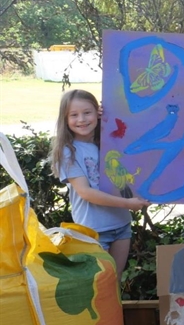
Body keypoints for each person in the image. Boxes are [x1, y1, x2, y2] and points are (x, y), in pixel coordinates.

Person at [50, 89, 150, 280]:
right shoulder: (68, 152)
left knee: (115, 279)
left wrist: (111, 114)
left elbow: (135, 136)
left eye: (87, 112)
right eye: (74, 115)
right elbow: (85, 192)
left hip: (121, 224)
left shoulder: (107, 143)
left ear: (97, 113)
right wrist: (128, 204)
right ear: (65, 119)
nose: (81, 119)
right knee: (100, 283)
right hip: (94, 230)